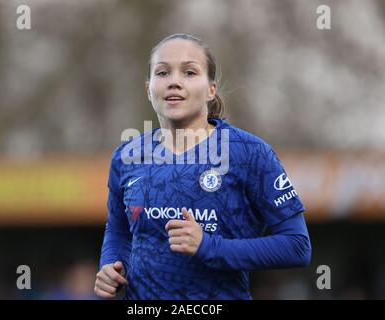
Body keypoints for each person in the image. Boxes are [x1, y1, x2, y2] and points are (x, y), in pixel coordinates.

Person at [94, 33, 311, 300]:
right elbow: (118, 230)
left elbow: (297, 246)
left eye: (189, 72)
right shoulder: (127, 156)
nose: (174, 82)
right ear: (148, 88)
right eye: (162, 73)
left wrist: (209, 247)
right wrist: (113, 265)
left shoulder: (249, 153)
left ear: (211, 89)